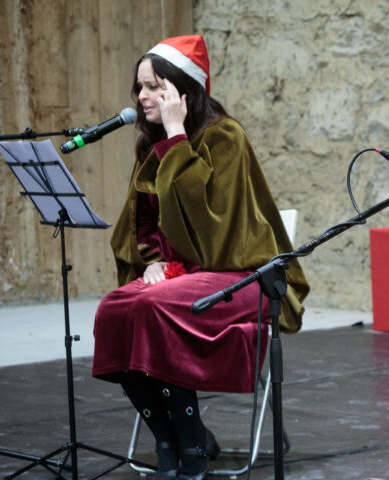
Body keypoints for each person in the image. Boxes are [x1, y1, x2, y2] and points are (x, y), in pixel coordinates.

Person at [91, 35, 309, 480]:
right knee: (114, 310)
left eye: (154, 87)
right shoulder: (150, 148)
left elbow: (213, 232)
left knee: (154, 309)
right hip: (180, 278)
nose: (143, 97)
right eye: (140, 88)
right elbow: (141, 225)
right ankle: (170, 439)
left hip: (241, 278)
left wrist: (175, 137)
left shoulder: (225, 138)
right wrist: (148, 260)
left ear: (182, 91)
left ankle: (190, 445)